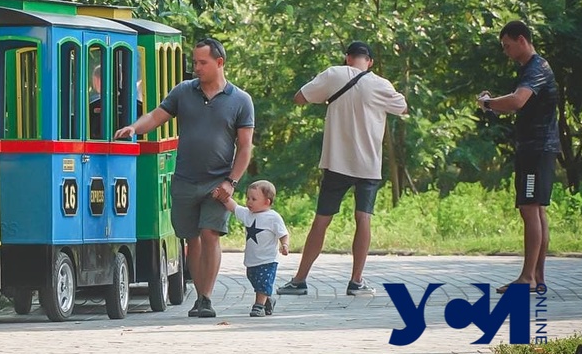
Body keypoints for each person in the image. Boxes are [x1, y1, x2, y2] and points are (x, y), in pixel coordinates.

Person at [114, 38, 254, 318]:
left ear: (219, 62)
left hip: (218, 182)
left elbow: (245, 146)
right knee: (191, 239)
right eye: (195, 62)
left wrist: (231, 182)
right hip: (185, 180)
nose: (197, 68)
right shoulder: (183, 92)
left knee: (210, 234)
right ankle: (200, 295)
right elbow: (156, 115)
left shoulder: (240, 100)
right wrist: (134, 128)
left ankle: (205, 298)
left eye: (202, 63)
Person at [277, 41, 408, 297]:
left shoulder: (334, 74)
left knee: (322, 221)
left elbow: (299, 98)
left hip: (337, 162)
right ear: (369, 62)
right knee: (363, 218)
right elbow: (402, 107)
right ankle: (356, 281)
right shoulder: (380, 84)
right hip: (368, 165)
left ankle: (300, 279)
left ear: (347, 58)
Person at [477, 20, 559, 294]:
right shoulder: (531, 69)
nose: (506, 52)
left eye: (507, 46)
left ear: (522, 40)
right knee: (536, 210)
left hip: (536, 150)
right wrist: (492, 105)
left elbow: (516, 101)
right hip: (537, 149)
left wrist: (488, 103)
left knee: (529, 208)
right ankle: (536, 277)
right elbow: (514, 104)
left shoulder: (536, 68)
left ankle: (527, 278)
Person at [224, 180, 289, 316]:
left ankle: (258, 306)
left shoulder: (273, 217)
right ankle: (268, 300)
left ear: (267, 202)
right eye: (248, 198)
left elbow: (283, 234)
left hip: (268, 259)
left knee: (263, 282)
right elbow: (234, 207)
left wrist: (285, 245)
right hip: (252, 259)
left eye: (254, 199)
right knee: (253, 277)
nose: (249, 202)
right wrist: (223, 197)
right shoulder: (248, 214)